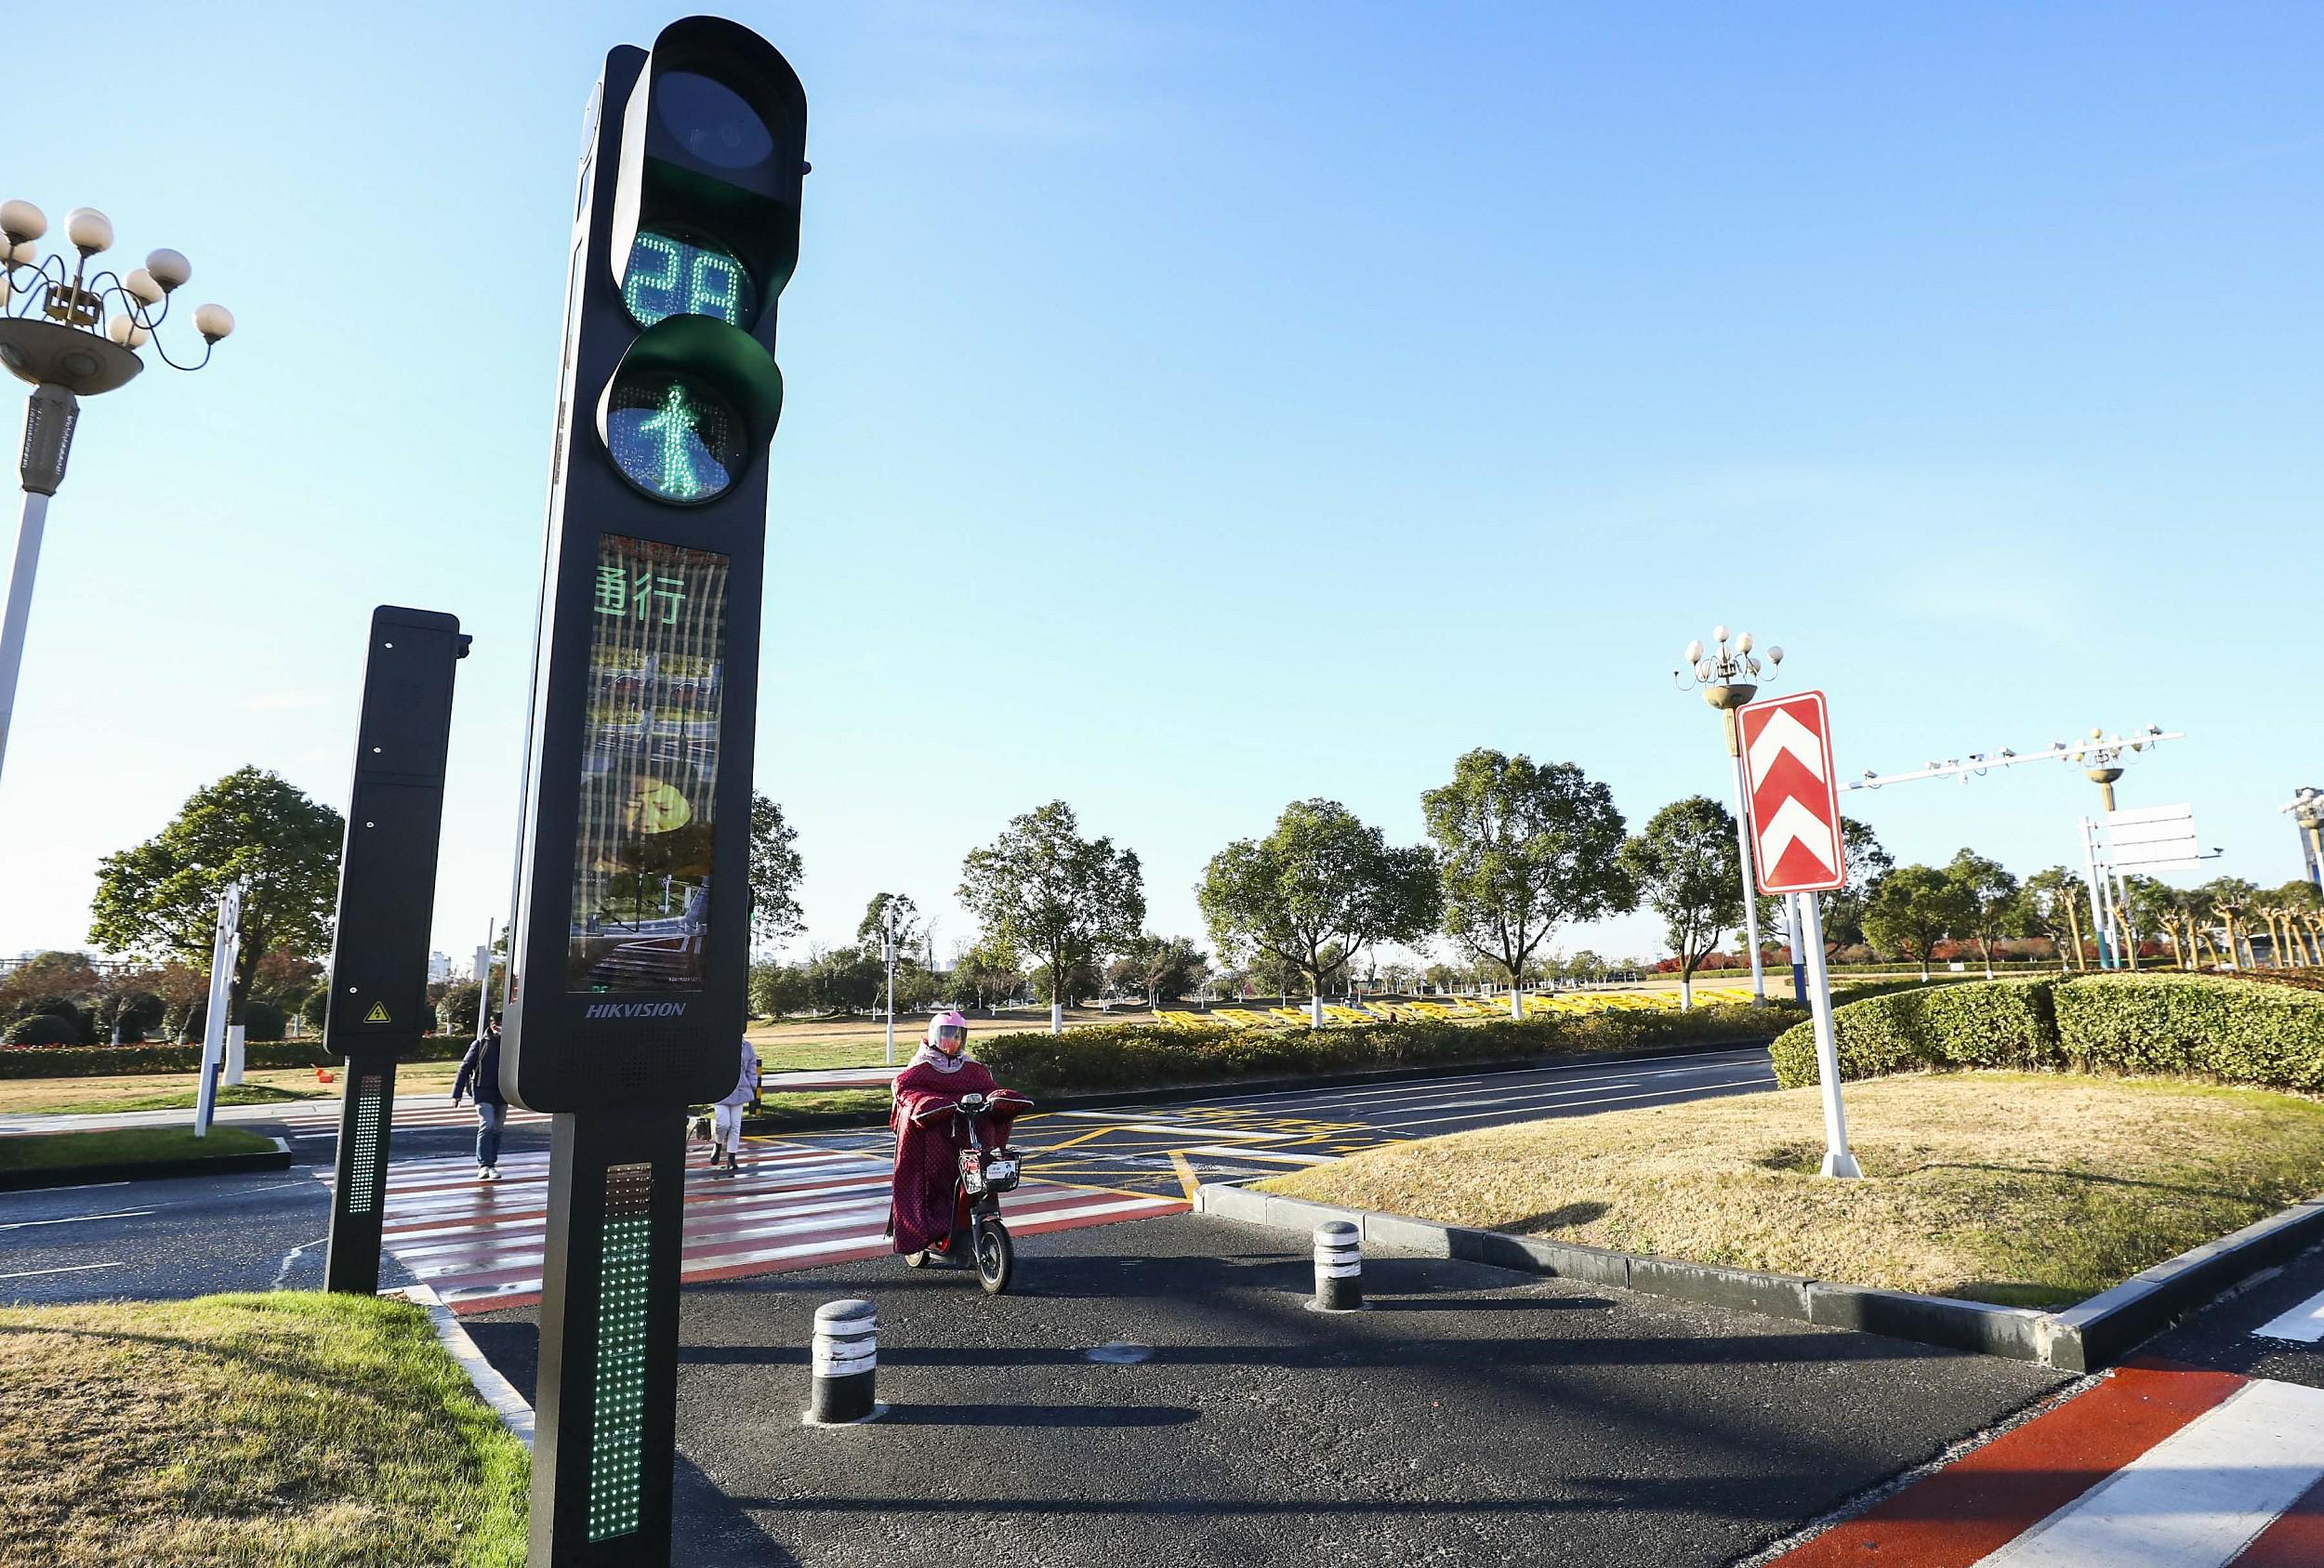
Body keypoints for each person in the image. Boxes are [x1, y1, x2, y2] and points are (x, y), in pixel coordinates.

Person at [887, 1009, 1021, 1260]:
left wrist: (997, 1100)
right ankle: (928, 1232)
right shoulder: (920, 1066)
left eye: (958, 1035)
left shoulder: (972, 1067)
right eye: (947, 1034)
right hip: (934, 1136)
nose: (953, 1041)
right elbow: (905, 1090)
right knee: (933, 1179)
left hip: (965, 1132)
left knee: (979, 1168)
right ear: (934, 1035)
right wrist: (927, 1104)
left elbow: (989, 1089)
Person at [452, 1012, 507, 1181]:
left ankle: (492, 1164)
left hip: (503, 1093)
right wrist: (457, 1094)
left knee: (498, 1128)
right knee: (487, 1124)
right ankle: (483, 1165)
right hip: (482, 1091)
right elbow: (465, 1068)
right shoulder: (480, 1044)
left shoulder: (511, 1046)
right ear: (494, 1026)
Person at [708, 1034, 759, 1170]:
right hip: (720, 1090)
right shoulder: (719, 1044)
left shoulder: (747, 1046)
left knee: (735, 1126)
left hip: (740, 1089)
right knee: (723, 1123)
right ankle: (718, 1145)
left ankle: (732, 1157)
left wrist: (753, 1084)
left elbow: (752, 1066)